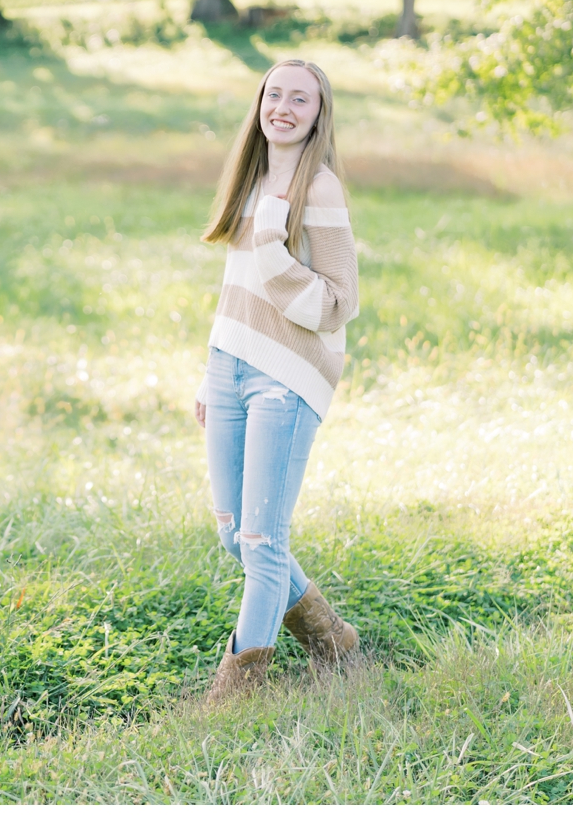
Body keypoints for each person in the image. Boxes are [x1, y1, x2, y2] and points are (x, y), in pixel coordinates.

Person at [193, 58, 361, 704]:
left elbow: (339, 301)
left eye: (301, 99)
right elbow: (235, 286)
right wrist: (211, 375)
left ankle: (233, 697)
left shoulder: (318, 188)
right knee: (232, 533)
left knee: (262, 544)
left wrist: (273, 250)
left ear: (319, 115)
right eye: (275, 94)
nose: (283, 108)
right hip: (229, 365)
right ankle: (333, 642)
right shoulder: (253, 176)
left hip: (285, 377)